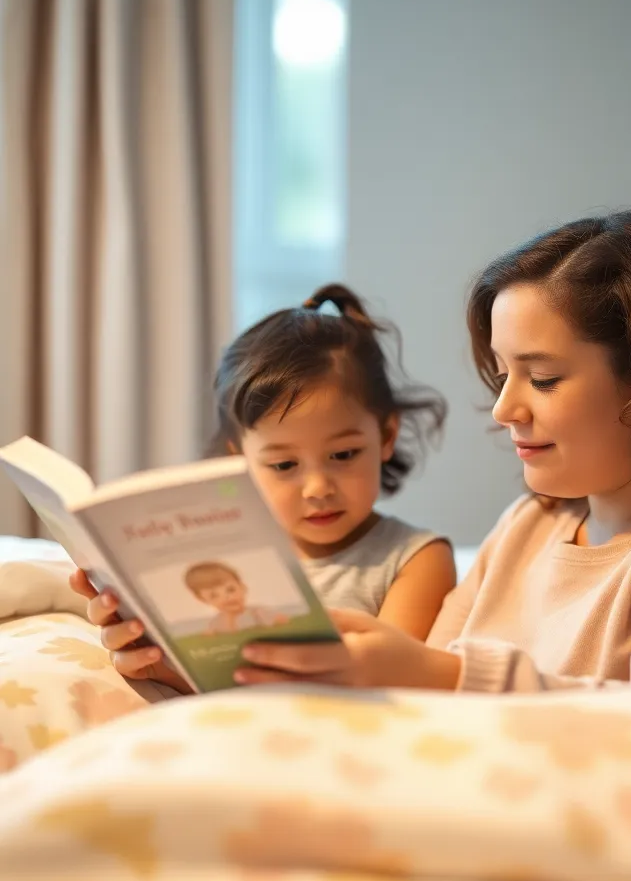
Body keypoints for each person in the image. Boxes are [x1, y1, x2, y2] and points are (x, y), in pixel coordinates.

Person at [80, 210, 631, 710]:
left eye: (541, 378)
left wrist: (437, 675)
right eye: (502, 375)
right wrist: (172, 669)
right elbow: (401, 702)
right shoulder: (532, 524)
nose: (506, 409)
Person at [72, 285, 455, 694]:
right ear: (243, 461)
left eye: (343, 455)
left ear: (386, 434)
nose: (317, 488)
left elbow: (388, 681)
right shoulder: (221, 558)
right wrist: (155, 664)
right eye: (284, 465)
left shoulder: (415, 560)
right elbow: (221, 681)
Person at [182, 561, 289, 636]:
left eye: (231, 590)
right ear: (203, 600)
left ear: (243, 588)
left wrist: (277, 620)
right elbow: (210, 636)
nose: (227, 597)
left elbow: (281, 621)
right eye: (214, 596)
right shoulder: (216, 622)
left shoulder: (256, 612)